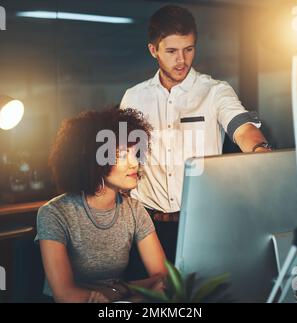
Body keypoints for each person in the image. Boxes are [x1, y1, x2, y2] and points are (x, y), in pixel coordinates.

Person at [120, 5, 272, 261]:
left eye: (188, 49)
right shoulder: (133, 97)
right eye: (171, 51)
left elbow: (243, 129)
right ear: (153, 50)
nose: (182, 60)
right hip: (145, 226)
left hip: (202, 222)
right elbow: (121, 156)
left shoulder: (215, 91)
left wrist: (260, 152)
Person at [35, 108, 167, 303]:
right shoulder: (54, 213)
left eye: (136, 152)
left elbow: (163, 277)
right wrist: (134, 291)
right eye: (122, 154)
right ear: (93, 159)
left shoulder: (134, 210)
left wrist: (118, 291)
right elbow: (65, 295)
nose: (135, 163)